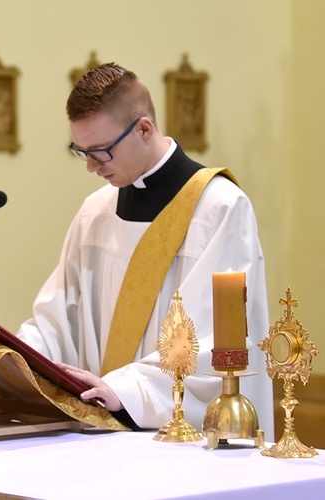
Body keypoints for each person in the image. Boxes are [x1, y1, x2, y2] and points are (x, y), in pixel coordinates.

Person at [17, 63, 273, 435]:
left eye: (101, 151)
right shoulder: (95, 213)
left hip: (181, 439)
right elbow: (58, 320)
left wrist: (127, 391)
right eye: (80, 150)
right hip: (99, 434)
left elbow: (218, 342)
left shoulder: (219, 209)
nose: (90, 166)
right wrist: (15, 360)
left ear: (144, 129)